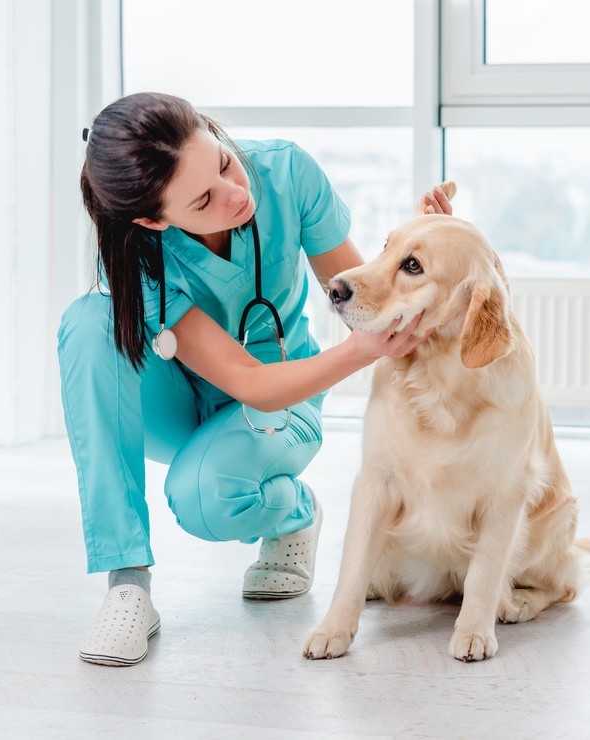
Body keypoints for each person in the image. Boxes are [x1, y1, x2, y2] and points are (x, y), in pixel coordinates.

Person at [57, 92, 453, 666]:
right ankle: (127, 586)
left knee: (203, 498)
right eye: (204, 199)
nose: (236, 194)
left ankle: (293, 513)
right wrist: (361, 353)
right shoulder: (135, 253)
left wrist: (426, 249)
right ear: (153, 220)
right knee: (89, 320)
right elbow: (242, 377)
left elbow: (363, 296)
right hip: (191, 401)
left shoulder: (287, 173)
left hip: (285, 399)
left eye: (222, 162)